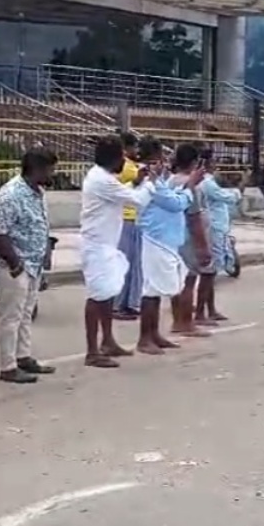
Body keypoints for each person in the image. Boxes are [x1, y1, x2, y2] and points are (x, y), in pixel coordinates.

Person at [0, 147, 58, 383]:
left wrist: (43, 253)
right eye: (50, 169)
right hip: (12, 261)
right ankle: (8, 366)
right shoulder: (11, 194)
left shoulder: (37, 191)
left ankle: (24, 357)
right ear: (37, 169)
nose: (53, 173)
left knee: (25, 312)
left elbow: (40, 223)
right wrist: (15, 265)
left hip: (31, 261)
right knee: (11, 314)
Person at [79, 135, 151, 368]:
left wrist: (137, 182)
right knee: (97, 295)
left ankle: (108, 341)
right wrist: (150, 183)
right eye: (122, 155)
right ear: (113, 158)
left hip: (106, 243)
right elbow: (137, 200)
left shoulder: (105, 178)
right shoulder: (102, 180)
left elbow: (123, 192)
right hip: (97, 245)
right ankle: (92, 351)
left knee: (107, 293)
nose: (126, 159)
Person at [135, 136, 202, 354]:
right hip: (157, 239)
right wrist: (189, 186)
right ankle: (145, 338)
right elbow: (175, 203)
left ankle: (154, 334)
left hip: (166, 240)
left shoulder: (157, 180)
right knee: (151, 291)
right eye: (159, 159)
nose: (163, 162)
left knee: (158, 290)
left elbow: (171, 197)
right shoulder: (149, 182)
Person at [167, 144, 212, 337]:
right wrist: (203, 247)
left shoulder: (169, 181)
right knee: (189, 280)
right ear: (194, 162)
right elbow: (194, 219)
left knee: (177, 281)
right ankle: (185, 322)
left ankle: (178, 320)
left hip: (172, 236)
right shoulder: (192, 186)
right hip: (187, 238)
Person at [196, 153, 243, 320]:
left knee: (212, 272)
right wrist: (238, 191)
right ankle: (202, 312)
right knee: (210, 272)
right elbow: (227, 197)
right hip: (213, 228)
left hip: (216, 227)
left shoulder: (208, 182)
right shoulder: (207, 183)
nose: (215, 165)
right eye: (213, 162)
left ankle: (211, 309)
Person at [113, 132, 143, 320]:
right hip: (127, 218)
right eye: (134, 147)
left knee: (134, 264)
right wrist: (137, 180)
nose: (136, 151)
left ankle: (129, 303)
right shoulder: (123, 166)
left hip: (133, 217)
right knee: (127, 262)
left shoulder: (130, 165)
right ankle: (118, 305)